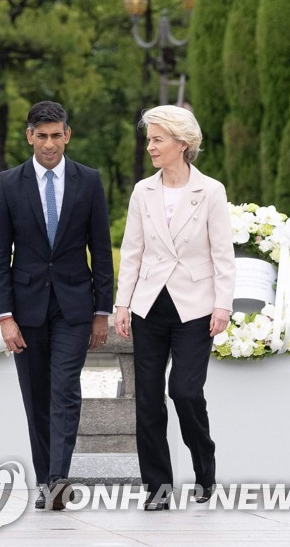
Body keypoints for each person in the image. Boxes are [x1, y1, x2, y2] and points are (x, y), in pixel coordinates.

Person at [0, 101, 114, 510]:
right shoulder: (8, 183)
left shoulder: (89, 180)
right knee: (36, 396)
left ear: (67, 135)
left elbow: (102, 249)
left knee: (64, 390)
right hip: (26, 311)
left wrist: (102, 312)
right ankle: (46, 479)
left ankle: (59, 478)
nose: (49, 144)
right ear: (29, 136)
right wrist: (4, 316)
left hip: (75, 307)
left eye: (56, 135)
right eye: (41, 136)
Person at [113, 105, 234, 511]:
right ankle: (157, 488)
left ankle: (205, 467)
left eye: (157, 139)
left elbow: (223, 254)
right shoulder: (142, 191)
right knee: (147, 399)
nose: (150, 146)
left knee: (183, 390)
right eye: (149, 139)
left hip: (195, 308)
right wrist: (122, 303)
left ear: (183, 144)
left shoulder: (211, 191)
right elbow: (132, 251)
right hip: (149, 306)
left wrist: (223, 305)